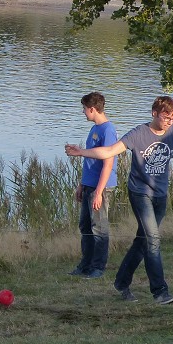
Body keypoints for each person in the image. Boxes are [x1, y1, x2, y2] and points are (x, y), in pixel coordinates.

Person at [65, 95, 173, 304]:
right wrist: (82, 152)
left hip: (160, 195)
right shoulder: (138, 133)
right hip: (140, 193)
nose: (169, 122)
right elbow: (110, 151)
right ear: (154, 113)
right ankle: (160, 292)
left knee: (143, 241)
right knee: (153, 241)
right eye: (166, 117)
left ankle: (121, 282)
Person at [68, 92, 118, 279]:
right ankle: (85, 265)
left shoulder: (108, 130)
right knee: (85, 226)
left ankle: (98, 267)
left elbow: (108, 163)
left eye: (84, 109)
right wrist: (81, 184)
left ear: (92, 109)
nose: (83, 112)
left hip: (100, 188)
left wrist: (99, 192)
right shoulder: (94, 129)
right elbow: (89, 160)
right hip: (89, 185)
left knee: (99, 228)